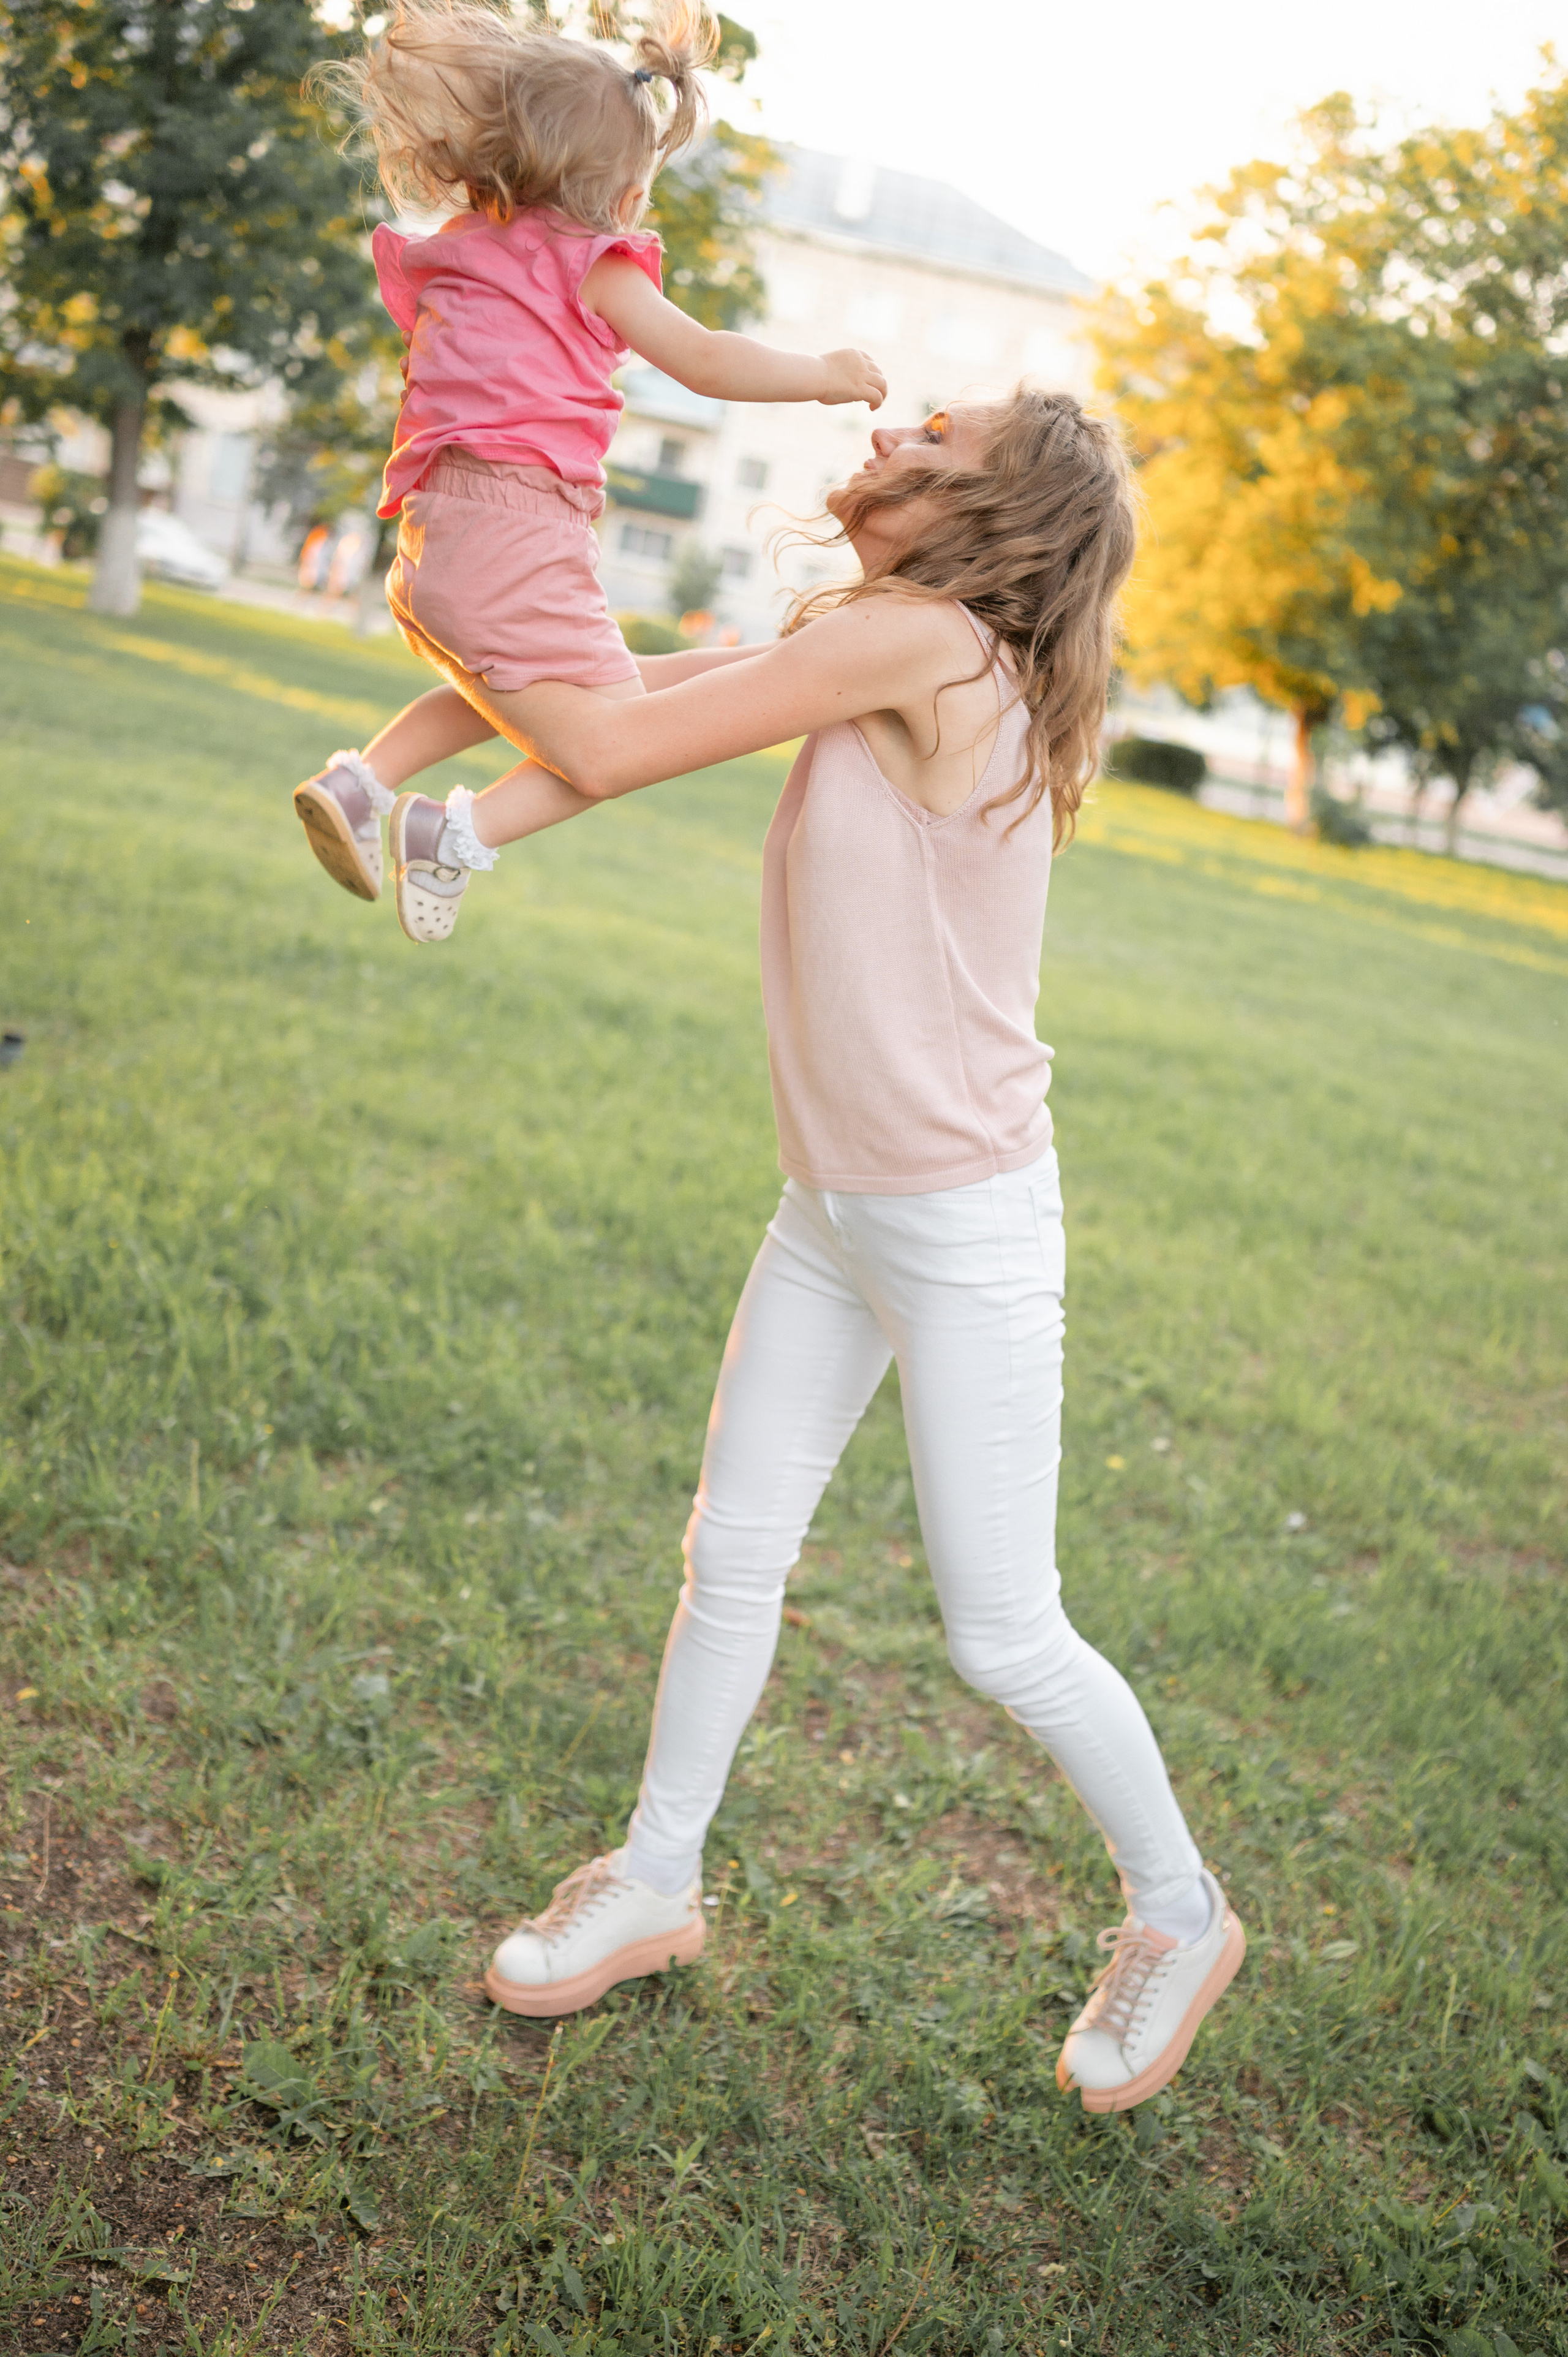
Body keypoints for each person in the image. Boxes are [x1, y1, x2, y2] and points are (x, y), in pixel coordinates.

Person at [436, 388, 1247, 2116]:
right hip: (834, 1203)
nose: (883, 445)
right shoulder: (888, 646)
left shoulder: (926, 647)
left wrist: (455, 636)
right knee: (728, 1554)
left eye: (928, 447)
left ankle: (1180, 1916)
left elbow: (608, 745)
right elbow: (634, 692)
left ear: (990, 518)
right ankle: (655, 1883)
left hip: (957, 1225)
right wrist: (450, 722)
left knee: (1003, 1630)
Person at [290, 0, 883, 942]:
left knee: (509, 692)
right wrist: (822, 377)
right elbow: (707, 361)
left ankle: (360, 780)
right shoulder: (592, 262)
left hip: (435, 534)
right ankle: (456, 832)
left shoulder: (470, 249)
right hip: (520, 528)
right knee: (622, 738)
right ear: (622, 194)